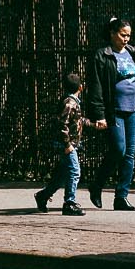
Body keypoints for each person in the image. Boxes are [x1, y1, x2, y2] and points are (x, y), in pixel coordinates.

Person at [85, 16, 135, 210]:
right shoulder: (102, 55)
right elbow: (96, 86)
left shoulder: (132, 52)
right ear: (112, 33)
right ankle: (97, 184)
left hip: (133, 109)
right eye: (122, 35)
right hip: (114, 110)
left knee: (130, 153)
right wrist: (99, 113)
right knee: (118, 149)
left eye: (128, 35)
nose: (126, 39)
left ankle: (122, 196)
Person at [35, 69, 102, 216]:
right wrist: (67, 144)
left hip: (69, 143)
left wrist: (93, 124)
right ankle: (69, 202)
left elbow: (77, 121)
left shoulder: (71, 102)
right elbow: (62, 124)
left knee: (61, 175)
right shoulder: (70, 103)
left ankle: (43, 195)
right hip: (67, 144)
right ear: (81, 87)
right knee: (74, 171)